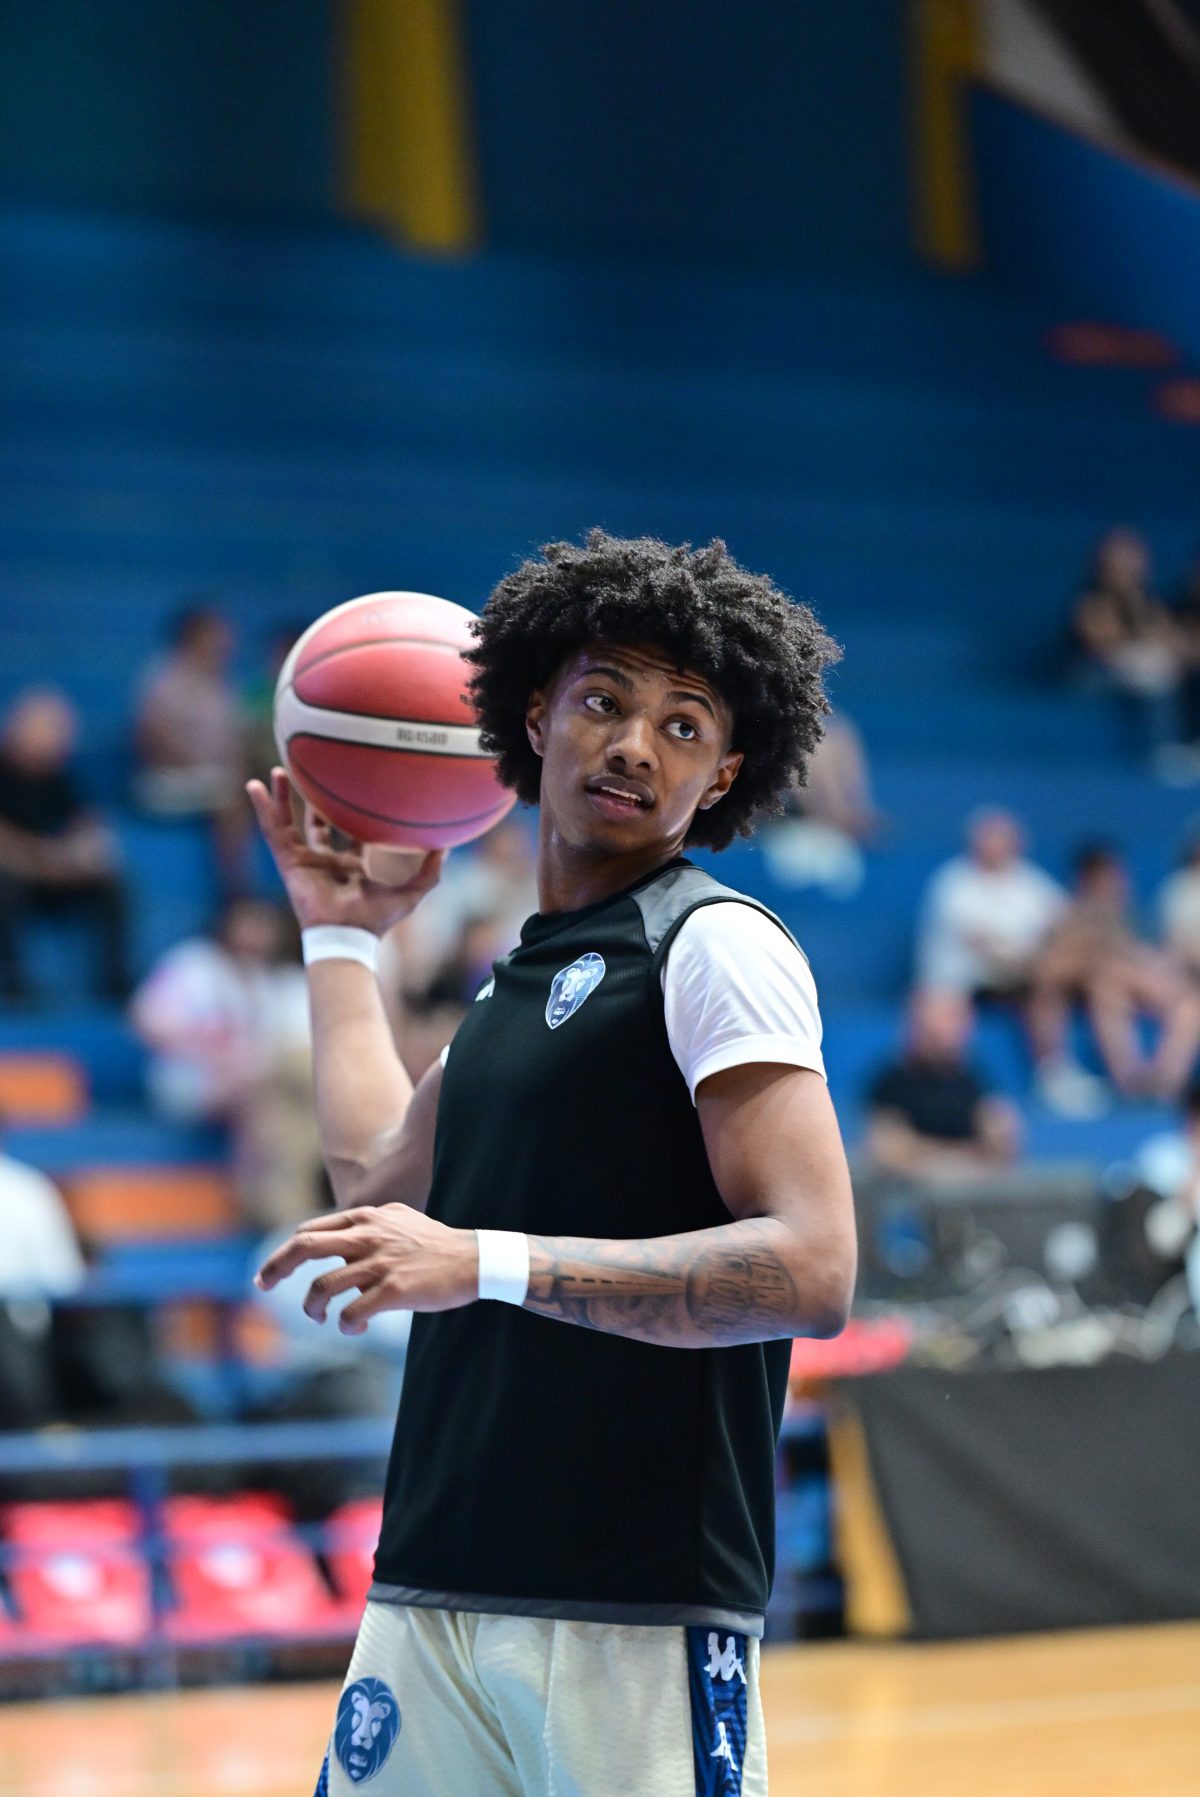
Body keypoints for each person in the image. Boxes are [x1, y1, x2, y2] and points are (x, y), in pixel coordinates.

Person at [248, 529, 856, 1796]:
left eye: (683, 726)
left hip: (632, 1603)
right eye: (602, 702)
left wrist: (484, 1262)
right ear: (535, 718)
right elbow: (376, 1184)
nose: (634, 744)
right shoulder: (517, 978)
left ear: (725, 774)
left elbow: (812, 1268)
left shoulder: (714, 947)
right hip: (434, 1582)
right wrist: (342, 940)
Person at [130, 898, 321, 1231]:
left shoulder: (278, 980)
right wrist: (207, 1049)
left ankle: (283, 1196)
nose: (255, 935)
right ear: (228, 925)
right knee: (264, 1093)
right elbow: (145, 1021)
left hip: (259, 1083)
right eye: (248, 924)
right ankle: (260, 1200)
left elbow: (296, 1045)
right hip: (189, 1076)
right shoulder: (194, 965)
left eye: (264, 926)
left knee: (288, 1094)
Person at [1030, 843, 1200, 1105]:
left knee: (1190, 1005)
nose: (1121, 884)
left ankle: (1163, 1087)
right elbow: (1054, 970)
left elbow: (1148, 960)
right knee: (1108, 988)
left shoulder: (1128, 919)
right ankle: (1132, 1085)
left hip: (1142, 987)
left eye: (1120, 876)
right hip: (1101, 989)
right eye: (1112, 877)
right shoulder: (1068, 917)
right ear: (1090, 881)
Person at [0, 688, 132, 1002]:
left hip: (52, 874)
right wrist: (43, 861)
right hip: (17, 873)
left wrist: (85, 851)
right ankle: (15, 981)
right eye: (46, 731)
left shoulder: (61, 777)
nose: (56, 742)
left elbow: (88, 822)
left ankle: (114, 981)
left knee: (111, 884)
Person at [133, 604, 252, 890]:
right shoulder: (164, 679)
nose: (227, 640)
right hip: (166, 780)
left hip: (211, 776)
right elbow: (152, 740)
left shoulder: (222, 682)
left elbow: (235, 740)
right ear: (196, 636)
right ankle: (237, 891)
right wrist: (205, 765)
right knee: (230, 797)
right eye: (218, 633)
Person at [864, 988, 1021, 1183]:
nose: (954, 1029)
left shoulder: (974, 1079)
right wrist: (956, 1159)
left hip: (968, 1190)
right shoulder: (890, 1084)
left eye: (958, 1019)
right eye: (945, 1018)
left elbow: (1001, 1142)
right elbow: (889, 1151)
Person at [1070, 528, 1182, 765]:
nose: (1125, 570)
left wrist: (1134, 600)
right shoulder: (1091, 599)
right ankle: (1158, 749)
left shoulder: (1149, 602)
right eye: (1119, 563)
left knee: (1158, 670)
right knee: (1147, 669)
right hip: (1091, 675)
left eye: (1131, 564)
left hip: (1136, 677)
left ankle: (1165, 748)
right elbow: (1101, 641)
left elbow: (1167, 639)